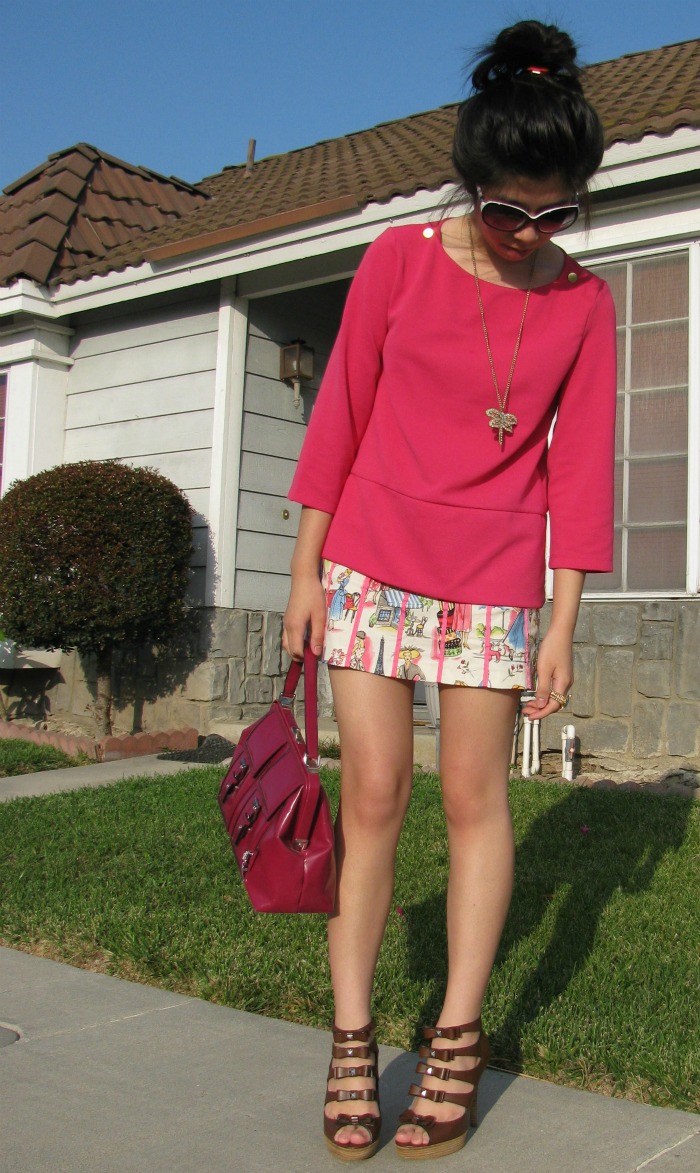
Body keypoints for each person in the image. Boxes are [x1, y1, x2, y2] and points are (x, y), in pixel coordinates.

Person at [283, 19, 616, 1163]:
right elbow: (339, 415)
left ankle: (456, 1041)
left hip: (495, 586)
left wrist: (562, 621)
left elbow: (580, 470)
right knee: (373, 796)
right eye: (508, 211)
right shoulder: (398, 258)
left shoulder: (583, 303)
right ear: (472, 183)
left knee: (476, 801)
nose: (528, 235)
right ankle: (351, 1036)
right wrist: (303, 572)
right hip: (369, 564)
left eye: (554, 215)